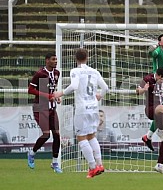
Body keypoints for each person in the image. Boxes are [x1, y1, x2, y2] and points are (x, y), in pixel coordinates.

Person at [54, 48, 108, 178]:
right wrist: (100, 95)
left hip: (82, 109)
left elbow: (74, 86)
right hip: (94, 108)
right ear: (87, 57)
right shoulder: (95, 71)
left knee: (81, 138)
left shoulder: (75, 71)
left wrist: (60, 93)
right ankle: (99, 164)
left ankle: (92, 167)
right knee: (91, 136)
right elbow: (105, 87)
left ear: (75, 58)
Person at [27, 52, 62, 173]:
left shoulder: (57, 73)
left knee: (57, 134)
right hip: (40, 108)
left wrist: (56, 96)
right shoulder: (40, 74)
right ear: (47, 60)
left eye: (56, 59)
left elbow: (52, 88)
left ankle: (55, 162)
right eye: (53, 59)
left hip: (52, 108)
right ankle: (32, 153)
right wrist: (47, 96)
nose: (55, 61)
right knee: (46, 134)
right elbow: (30, 90)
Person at [136, 67, 163, 175]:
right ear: (159, 76)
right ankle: (158, 131)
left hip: (161, 110)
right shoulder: (148, 79)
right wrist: (144, 90)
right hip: (151, 109)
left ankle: (159, 165)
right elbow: (137, 91)